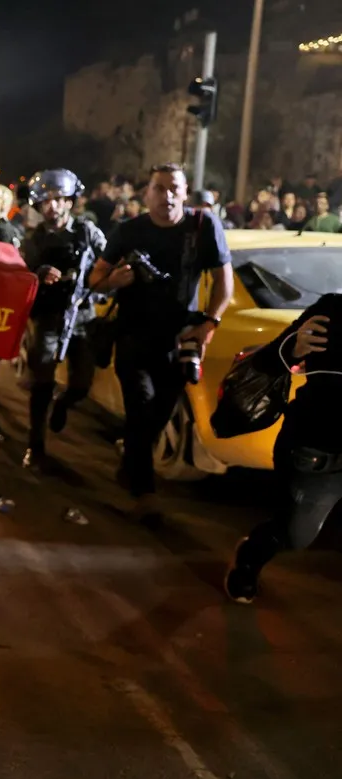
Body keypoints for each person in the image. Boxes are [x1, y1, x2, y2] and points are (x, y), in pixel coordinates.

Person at [89, 163, 233, 523]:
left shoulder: (203, 227)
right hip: (133, 335)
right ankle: (144, 492)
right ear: (146, 193)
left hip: (179, 340)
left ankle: (131, 461)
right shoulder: (129, 230)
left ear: (185, 193)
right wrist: (115, 280)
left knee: (160, 413)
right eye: (158, 188)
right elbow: (96, 277)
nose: (166, 195)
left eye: (174, 188)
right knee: (140, 406)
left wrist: (209, 325)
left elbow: (223, 283)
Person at [225, 294, 342, 602]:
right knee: (294, 535)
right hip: (319, 453)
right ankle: (251, 556)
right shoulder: (332, 311)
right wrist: (291, 349)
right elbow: (266, 362)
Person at [21, 168, 107, 468]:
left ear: (70, 201)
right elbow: (20, 275)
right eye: (45, 201)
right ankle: (36, 445)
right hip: (47, 318)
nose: (52, 206)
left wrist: (97, 288)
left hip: (82, 315)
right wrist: (39, 274)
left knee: (82, 384)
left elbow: (107, 266)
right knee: (41, 382)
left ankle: (65, 403)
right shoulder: (32, 239)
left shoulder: (88, 233)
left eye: (58, 199)